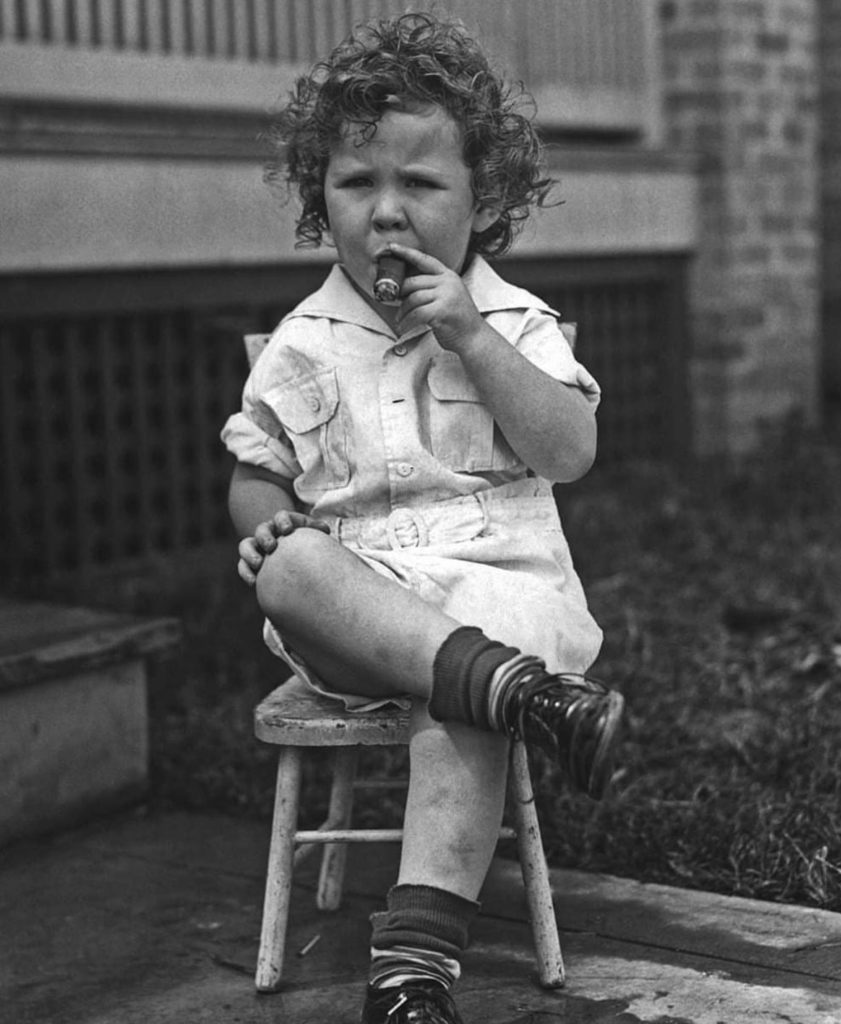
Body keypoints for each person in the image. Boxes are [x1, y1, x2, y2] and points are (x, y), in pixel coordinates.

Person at [221, 13, 624, 1024]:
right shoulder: (305, 340)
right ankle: (526, 698)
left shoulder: (515, 323)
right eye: (357, 183)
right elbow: (257, 469)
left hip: (496, 596)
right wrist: (265, 524)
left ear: (483, 199)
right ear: (319, 195)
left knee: (462, 701)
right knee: (289, 567)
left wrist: (473, 339)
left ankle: (409, 973)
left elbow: (568, 451)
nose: (387, 212)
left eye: (421, 184)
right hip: (363, 615)